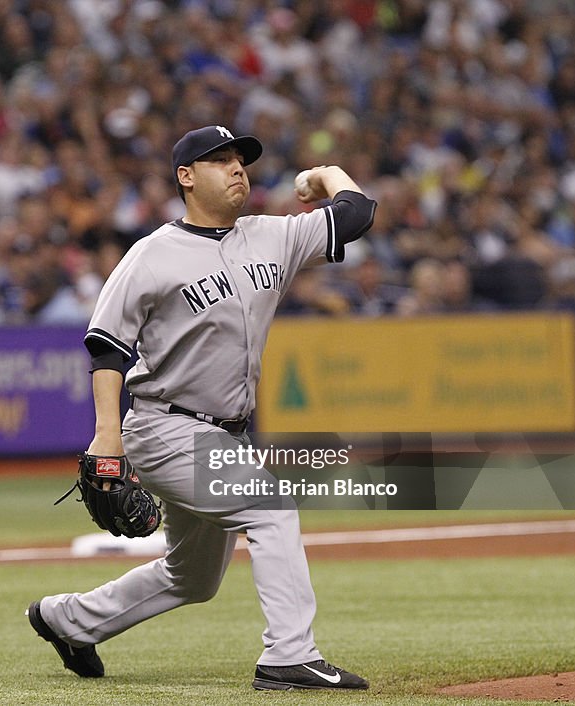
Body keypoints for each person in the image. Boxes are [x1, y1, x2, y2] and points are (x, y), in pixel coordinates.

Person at [27, 125, 376, 691]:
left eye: (241, 159)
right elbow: (107, 347)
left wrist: (322, 175)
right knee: (270, 507)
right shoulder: (152, 254)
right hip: (165, 426)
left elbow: (358, 213)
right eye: (220, 160)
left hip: (226, 436)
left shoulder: (272, 236)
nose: (237, 168)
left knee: (192, 577)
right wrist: (106, 436)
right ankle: (289, 655)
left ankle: (66, 619)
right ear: (186, 177)